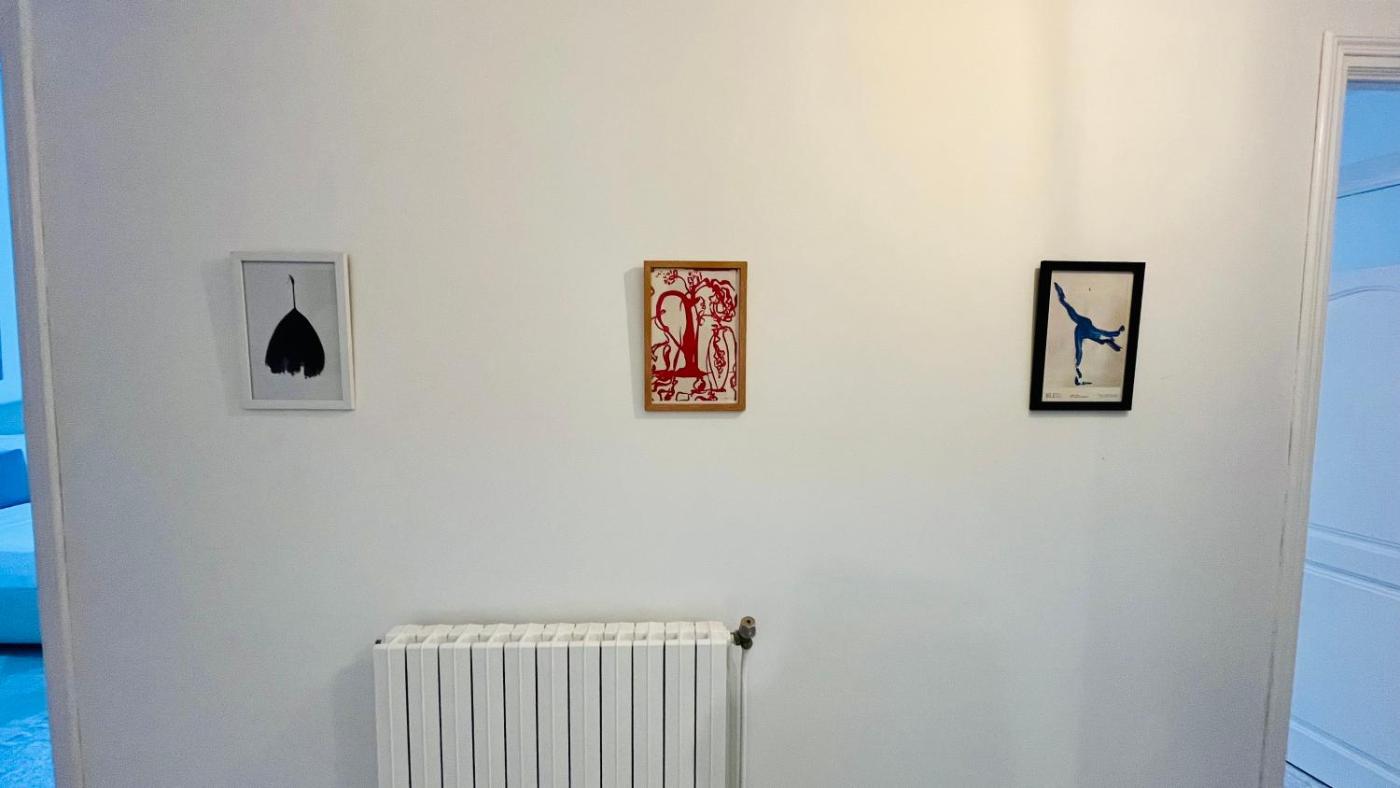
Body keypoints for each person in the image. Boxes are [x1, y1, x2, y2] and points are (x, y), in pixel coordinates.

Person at [1054, 282, 1124, 385]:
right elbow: (1103, 333)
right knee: (1087, 343)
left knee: (1084, 345)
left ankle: (1078, 371)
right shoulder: (1092, 332)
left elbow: (1103, 333)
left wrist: (1116, 333)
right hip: (1084, 328)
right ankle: (1078, 371)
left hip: (1084, 329)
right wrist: (1117, 333)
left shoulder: (1091, 332)